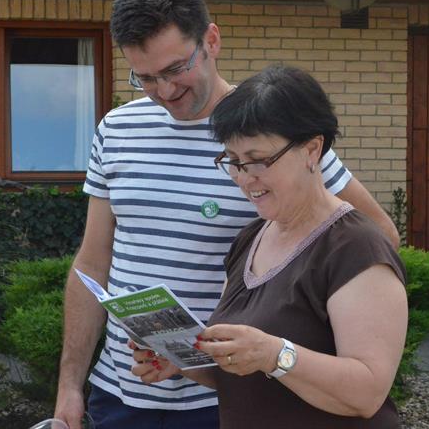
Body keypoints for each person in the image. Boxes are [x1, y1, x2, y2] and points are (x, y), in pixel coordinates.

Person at [55, 0, 400, 429]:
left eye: (176, 69)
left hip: (229, 397)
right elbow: (93, 260)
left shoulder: (272, 124)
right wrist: (69, 385)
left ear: (211, 40)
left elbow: (369, 237)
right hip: (125, 388)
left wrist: (293, 348)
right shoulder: (116, 129)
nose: (164, 90)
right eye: (146, 78)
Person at [132, 65, 408, 428]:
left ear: (312, 149)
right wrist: (183, 359)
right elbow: (242, 374)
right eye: (233, 161)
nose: (246, 179)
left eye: (259, 160)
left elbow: (366, 392)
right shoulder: (250, 239)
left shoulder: (356, 247)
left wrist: (275, 353)